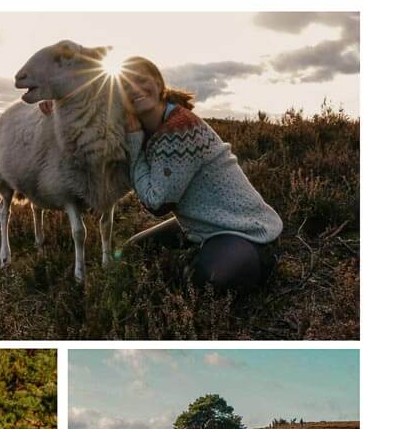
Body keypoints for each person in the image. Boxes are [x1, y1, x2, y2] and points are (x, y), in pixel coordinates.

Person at [40, 56, 283, 291]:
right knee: (132, 250)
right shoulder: (141, 126)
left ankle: (249, 259)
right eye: (125, 86)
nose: (134, 88)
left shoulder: (180, 129)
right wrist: (61, 104)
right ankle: (204, 252)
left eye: (141, 80)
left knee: (206, 281)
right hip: (202, 225)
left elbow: (157, 204)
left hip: (247, 231)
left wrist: (134, 141)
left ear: (158, 84)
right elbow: (92, 115)